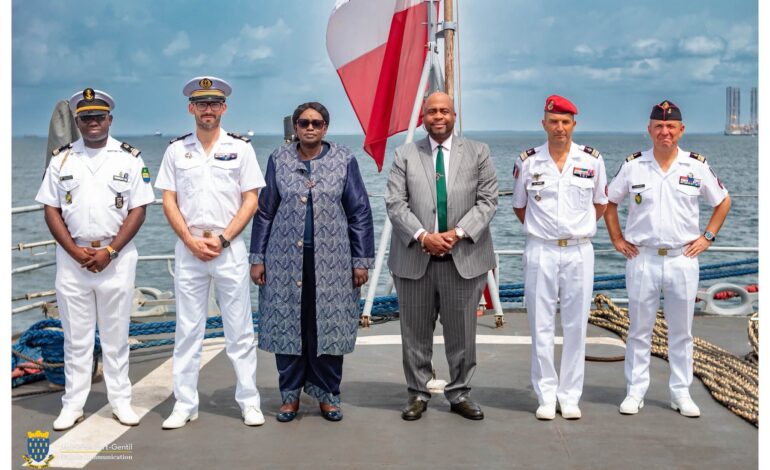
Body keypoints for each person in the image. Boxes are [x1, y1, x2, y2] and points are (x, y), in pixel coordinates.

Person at [35, 88, 155, 430]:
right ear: (77, 121)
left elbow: (138, 209)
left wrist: (110, 251)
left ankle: (121, 402)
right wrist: (74, 251)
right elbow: (51, 209)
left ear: (109, 120)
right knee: (76, 338)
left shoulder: (129, 158)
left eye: (98, 117)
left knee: (117, 336)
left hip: (116, 258)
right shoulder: (61, 159)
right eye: (85, 118)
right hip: (72, 258)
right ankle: (72, 404)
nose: (92, 123)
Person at [605, 100, 731, 417]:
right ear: (649, 129)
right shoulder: (633, 166)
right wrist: (617, 239)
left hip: (682, 258)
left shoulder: (696, 166)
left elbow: (723, 201)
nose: (665, 132)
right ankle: (635, 392)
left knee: (681, 331)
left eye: (671, 127)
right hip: (642, 258)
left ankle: (680, 392)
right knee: (638, 330)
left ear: (681, 130)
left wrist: (708, 237)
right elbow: (609, 202)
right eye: (659, 126)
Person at [249, 102, 374, 422]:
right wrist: (258, 258)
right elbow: (265, 211)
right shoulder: (279, 159)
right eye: (303, 122)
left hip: (333, 262)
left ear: (325, 128)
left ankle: (328, 395)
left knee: (328, 328)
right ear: (295, 126)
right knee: (288, 327)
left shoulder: (344, 159)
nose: (309, 127)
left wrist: (361, 260)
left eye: (316, 123)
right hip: (283, 260)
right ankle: (289, 396)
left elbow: (359, 212)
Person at [154, 76, 266, 429]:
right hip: (189, 250)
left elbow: (251, 198)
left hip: (227, 248)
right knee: (188, 330)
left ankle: (249, 401)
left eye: (214, 103)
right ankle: (185, 403)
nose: (207, 109)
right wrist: (188, 239)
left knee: (240, 330)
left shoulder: (241, 148)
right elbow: (168, 199)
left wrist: (224, 240)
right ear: (191, 108)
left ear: (223, 108)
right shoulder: (176, 150)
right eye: (201, 104)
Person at [385, 91, 498, 421]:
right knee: (415, 332)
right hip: (415, 259)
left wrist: (457, 233)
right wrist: (424, 236)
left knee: (462, 333)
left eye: (444, 111)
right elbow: (395, 203)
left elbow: (488, 201)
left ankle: (459, 391)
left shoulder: (478, 153)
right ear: (423, 116)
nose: (438, 116)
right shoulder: (404, 154)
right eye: (432, 111)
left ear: (454, 115)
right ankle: (418, 393)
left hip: (464, 259)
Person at [512, 95, 608, 420]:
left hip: (580, 250)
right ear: (544, 124)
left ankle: (569, 395)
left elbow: (601, 204)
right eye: (554, 121)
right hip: (541, 250)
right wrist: (546, 232)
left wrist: (575, 230)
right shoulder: (527, 162)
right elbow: (520, 206)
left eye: (565, 122)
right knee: (540, 324)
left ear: (574, 125)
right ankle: (545, 394)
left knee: (575, 324)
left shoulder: (592, 161)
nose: (559, 128)